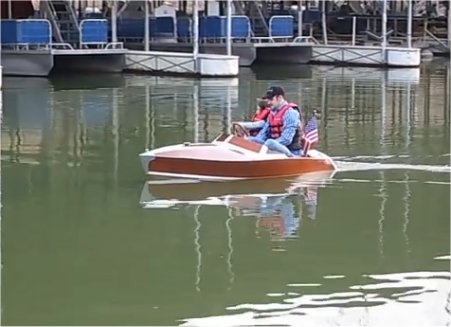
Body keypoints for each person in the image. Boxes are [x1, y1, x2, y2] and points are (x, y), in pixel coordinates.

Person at [248, 86, 303, 157]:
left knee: (270, 142)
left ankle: (293, 159)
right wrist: (255, 145)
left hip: (292, 152)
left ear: (280, 98)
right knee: (251, 140)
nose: (268, 102)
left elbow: (287, 139)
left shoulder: (291, 113)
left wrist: (266, 146)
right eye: (267, 99)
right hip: (274, 149)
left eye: (271, 99)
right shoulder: (272, 114)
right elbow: (262, 135)